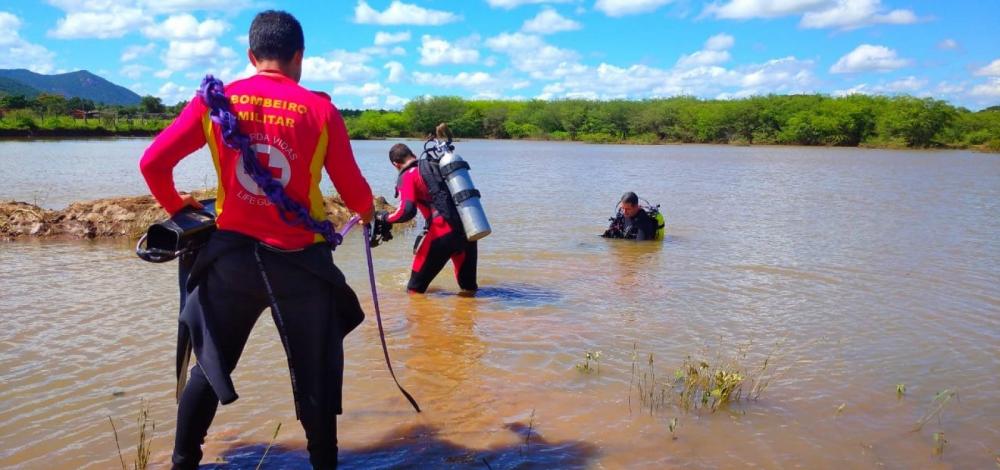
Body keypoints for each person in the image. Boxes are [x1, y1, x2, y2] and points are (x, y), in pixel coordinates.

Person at [139, 10, 373, 469]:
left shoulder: (215, 102)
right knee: (316, 374)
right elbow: (357, 195)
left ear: (251, 55)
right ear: (299, 56)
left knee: (209, 363)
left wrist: (176, 207)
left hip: (231, 262)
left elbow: (152, 163)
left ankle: (183, 461)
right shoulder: (320, 110)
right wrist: (367, 215)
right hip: (302, 266)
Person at [375, 143, 478, 293]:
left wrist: (383, 217)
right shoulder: (436, 166)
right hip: (469, 228)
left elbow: (406, 212)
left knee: (414, 290)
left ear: (395, 164)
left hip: (442, 233)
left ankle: (415, 316)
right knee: (469, 289)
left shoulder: (408, 175)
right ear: (413, 155)